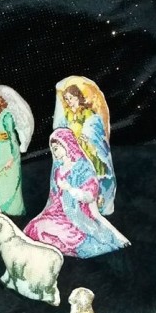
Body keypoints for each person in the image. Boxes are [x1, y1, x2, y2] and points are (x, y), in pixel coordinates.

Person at [23, 128, 129, 258]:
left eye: (56, 148)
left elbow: (90, 195)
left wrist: (70, 189)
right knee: (36, 227)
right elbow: (54, 196)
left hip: (76, 212)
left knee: (65, 234)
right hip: (57, 212)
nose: (54, 152)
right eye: (53, 149)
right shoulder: (58, 169)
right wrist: (52, 209)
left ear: (67, 144)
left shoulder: (82, 167)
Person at [55, 78, 115, 215]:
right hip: (73, 149)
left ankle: (99, 201)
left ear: (77, 97)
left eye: (70, 98)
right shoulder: (68, 114)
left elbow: (94, 127)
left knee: (93, 174)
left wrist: (86, 135)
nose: (68, 101)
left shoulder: (86, 112)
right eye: (66, 99)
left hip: (87, 149)